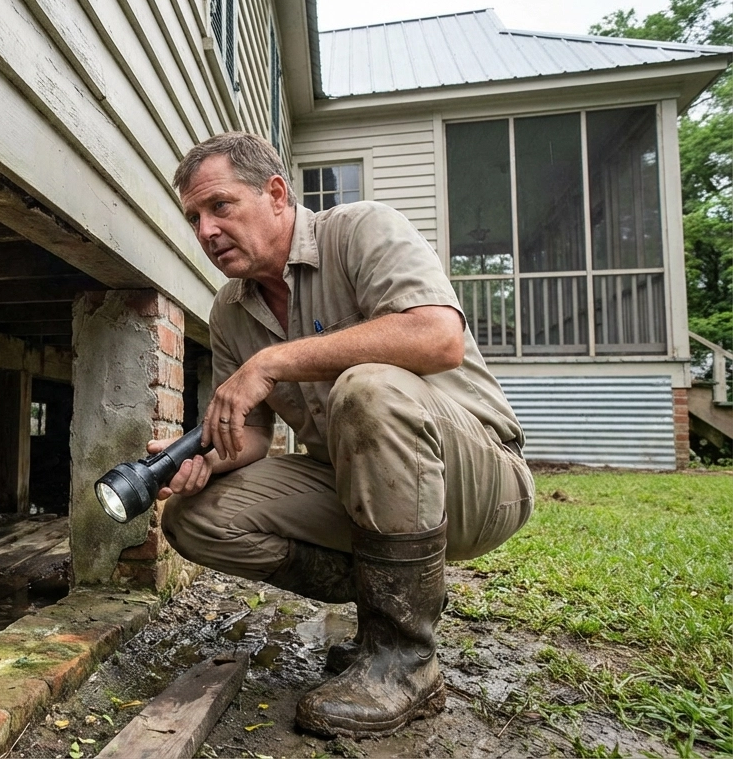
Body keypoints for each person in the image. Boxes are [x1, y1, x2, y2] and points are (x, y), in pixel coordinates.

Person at [152, 132, 534, 738]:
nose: (205, 231)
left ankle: (406, 663)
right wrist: (200, 461)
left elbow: (438, 336)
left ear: (275, 194)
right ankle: (383, 620)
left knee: (368, 386)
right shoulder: (230, 310)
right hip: (357, 490)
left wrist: (274, 362)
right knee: (197, 518)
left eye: (220, 206)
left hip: (477, 479)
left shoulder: (361, 229)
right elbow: (250, 434)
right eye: (194, 217)